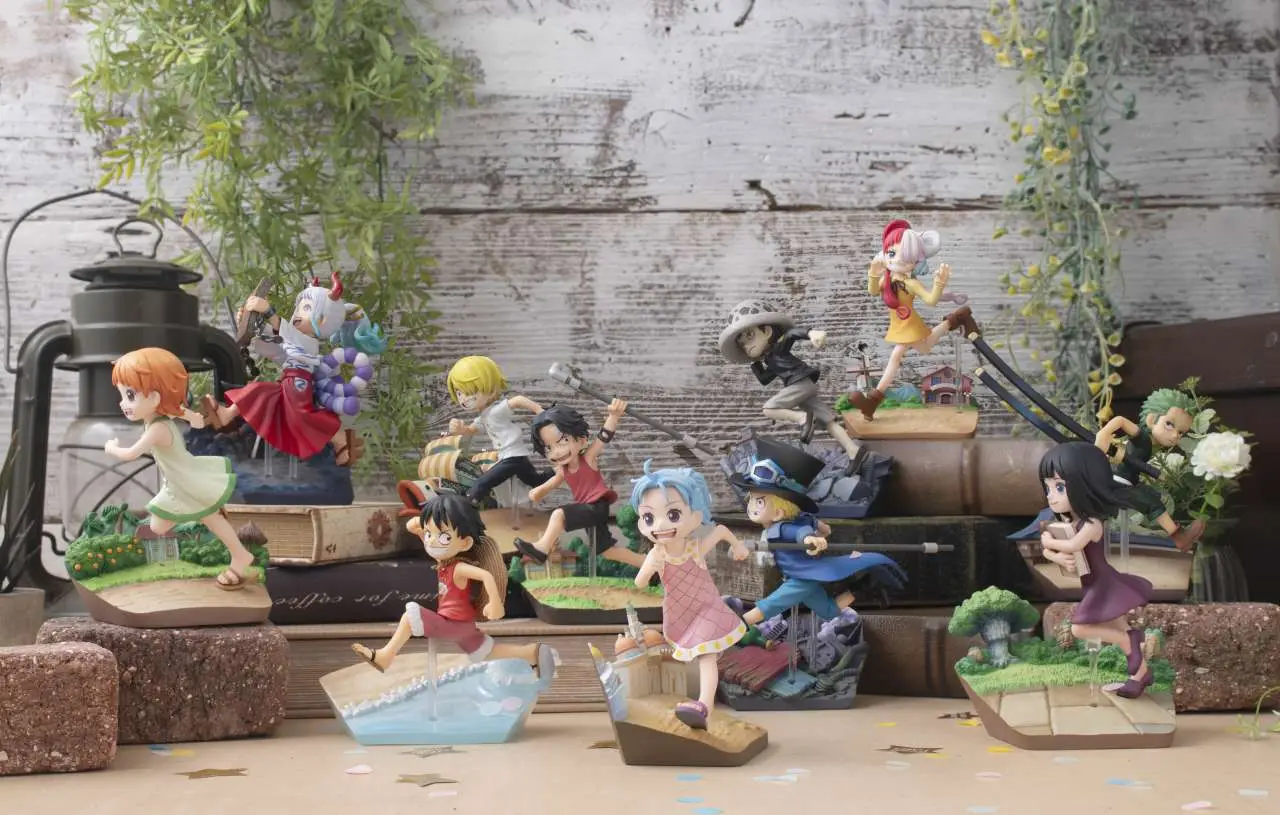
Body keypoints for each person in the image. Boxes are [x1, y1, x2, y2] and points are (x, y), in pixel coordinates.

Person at [351, 493, 556, 677]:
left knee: (410, 616)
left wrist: (495, 603)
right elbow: (418, 531)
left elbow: (486, 575)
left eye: (444, 537)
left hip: (453, 623)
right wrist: (424, 526)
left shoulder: (458, 568)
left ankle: (386, 656)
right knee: (487, 652)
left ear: (465, 543)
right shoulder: (445, 562)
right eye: (429, 534)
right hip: (461, 626)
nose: (431, 541)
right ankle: (530, 653)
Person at [106, 347, 255, 590]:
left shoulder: (157, 428)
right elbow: (189, 416)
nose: (123, 404)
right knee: (204, 517)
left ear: (155, 398)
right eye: (123, 395)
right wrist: (194, 418)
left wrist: (111, 447)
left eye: (130, 395)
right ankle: (239, 555)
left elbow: (131, 454)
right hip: (181, 477)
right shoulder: (161, 417)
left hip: (183, 479)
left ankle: (238, 555)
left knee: (162, 525)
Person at [730, 438, 905, 639]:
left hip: (803, 577)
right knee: (829, 611)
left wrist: (809, 539)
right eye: (751, 499)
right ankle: (864, 588)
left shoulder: (783, 528)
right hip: (800, 575)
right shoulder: (796, 521)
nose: (751, 506)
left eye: (759, 501)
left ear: (778, 512)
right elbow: (820, 527)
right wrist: (821, 531)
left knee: (773, 603)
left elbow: (800, 532)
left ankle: (741, 624)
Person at [630, 463, 751, 729]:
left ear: (695, 517)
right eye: (649, 518)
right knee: (702, 655)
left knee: (706, 655)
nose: (660, 525)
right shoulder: (657, 555)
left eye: (673, 514)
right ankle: (700, 704)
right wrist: (648, 570)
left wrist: (738, 546)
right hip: (680, 613)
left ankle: (704, 704)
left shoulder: (694, 548)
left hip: (706, 607)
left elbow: (720, 530)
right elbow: (640, 582)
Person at [1038, 441, 1155, 699]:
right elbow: (1058, 553)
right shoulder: (1071, 522)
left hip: (1102, 584)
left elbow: (1072, 545)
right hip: (1092, 583)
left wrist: (1049, 542)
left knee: (1080, 628)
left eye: (1059, 487)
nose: (1051, 496)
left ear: (1087, 484)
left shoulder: (1092, 524)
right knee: (1117, 625)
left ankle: (1128, 642)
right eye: (1048, 488)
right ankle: (1140, 675)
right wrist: (1055, 556)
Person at [847, 219, 977, 420]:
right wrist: (872, 273)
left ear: (915, 261)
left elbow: (931, 300)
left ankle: (873, 401)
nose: (897, 260)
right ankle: (956, 319)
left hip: (909, 324)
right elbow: (872, 291)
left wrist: (939, 283)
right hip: (899, 325)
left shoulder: (911, 284)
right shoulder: (887, 280)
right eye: (892, 254)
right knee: (925, 346)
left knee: (895, 356)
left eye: (906, 258)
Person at [717, 299, 866, 474]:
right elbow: (765, 379)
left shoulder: (779, 348)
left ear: (767, 331)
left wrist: (811, 333)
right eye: (742, 344)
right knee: (828, 421)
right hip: (803, 389)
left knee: (769, 409)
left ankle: (803, 419)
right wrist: (754, 364)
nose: (747, 346)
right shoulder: (769, 359)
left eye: (750, 336)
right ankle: (853, 450)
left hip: (800, 383)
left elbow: (792, 334)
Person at [511, 401, 645, 568]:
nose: (557, 451)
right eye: (549, 448)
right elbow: (551, 484)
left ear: (581, 440)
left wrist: (614, 416)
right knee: (607, 551)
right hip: (587, 509)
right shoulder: (563, 470)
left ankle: (542, 548)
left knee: (559, 515)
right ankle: (649, 564)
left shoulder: (588, 458)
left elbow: (603, 437)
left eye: (563, 441)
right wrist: (538, 492)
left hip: (596, 506)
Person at [1094, 387, 1205, 551]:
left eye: (1181, 432)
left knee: (1154, 497)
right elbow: (1121, 421)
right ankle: (1179, 537)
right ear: (1152, 420)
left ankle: (1177, 535)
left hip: (1127, 482)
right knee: (1151, 502)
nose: (1175, 435)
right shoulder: (1142, 438)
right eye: (1169, 425)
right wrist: (1102, 435)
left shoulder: (1152, 445)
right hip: (1116, 483)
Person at [444, 356, 553, 505]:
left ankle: (470, 501)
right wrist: (461, 429)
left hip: (512, 456)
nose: (463, 399)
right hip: (512, 456)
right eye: (459, 393)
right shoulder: (484, 416)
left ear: (490, 388)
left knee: (485, 481)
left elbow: (518, 400)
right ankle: (557, 472)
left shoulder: (497, 411)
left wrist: (539, 410)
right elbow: (471, 429)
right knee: (535, 481)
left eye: (469, 391)